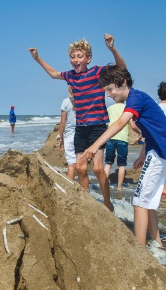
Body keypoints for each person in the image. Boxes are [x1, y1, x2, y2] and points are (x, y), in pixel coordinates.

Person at [81, 65, 166, 247]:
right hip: (163, 150)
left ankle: (139, 251)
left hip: (161, 152)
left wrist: (95, 146)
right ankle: (157, 243)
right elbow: (154, 129)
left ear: (123, 82)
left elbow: (120, 123)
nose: (109, 95)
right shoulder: (139, 98)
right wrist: (143, 153)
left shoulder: (135, 98)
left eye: (110, 89)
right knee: (147, 201)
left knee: (139, 202)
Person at [28, 34, 126, 211]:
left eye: (80, 56)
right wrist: (37, 58)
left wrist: (111, 48)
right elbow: (53, 74)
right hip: (81, 129)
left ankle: (107, 202)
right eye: (72, 56)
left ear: (88, 58)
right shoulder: (70, 76)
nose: (75, 59)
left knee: (97, 169)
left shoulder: (97, 72)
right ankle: (86, 204)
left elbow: (121, 67)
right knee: (80, 169)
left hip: (97, 127)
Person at [103, 102, 137, 191]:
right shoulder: (127, 108)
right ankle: (119, 187)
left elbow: (105, 122)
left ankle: (104, 185)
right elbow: (132, 125)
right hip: (122, 139)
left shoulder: (110, 108)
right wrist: (140, 132)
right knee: (121, 165)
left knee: (108, 163)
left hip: (110, 137)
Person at [58, 87, 77, 180]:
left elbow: (62, 123)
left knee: (71, 164)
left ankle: (71, 189)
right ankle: (85, 189)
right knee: (82, 164)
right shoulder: (84, 100)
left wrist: (61, 139)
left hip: (70, 136)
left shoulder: (66, 102)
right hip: (82, 135)